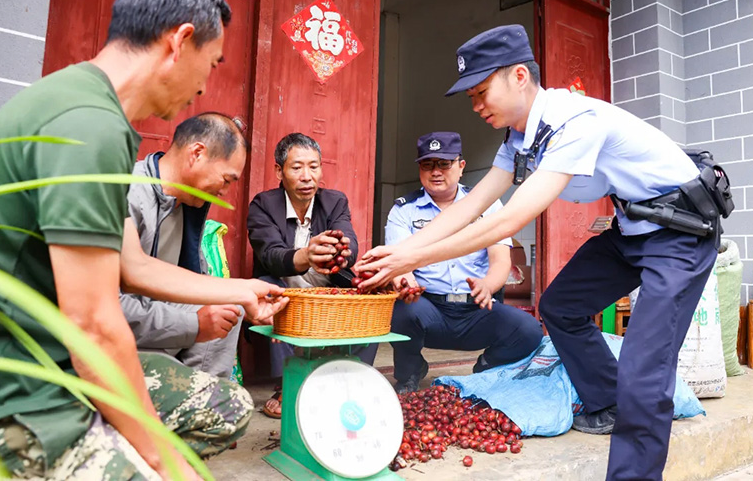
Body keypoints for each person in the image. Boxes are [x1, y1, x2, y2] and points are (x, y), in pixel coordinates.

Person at [356, 24, 722, 481]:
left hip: (680, 236)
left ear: (519, 77)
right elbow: (474, 204)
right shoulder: (518, 138)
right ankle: (607, 403)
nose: (476, 105)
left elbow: (506, 222)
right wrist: (397, 252)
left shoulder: (576, 121)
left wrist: (411, 260)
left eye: (481, 91)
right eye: (470, 95)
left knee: (644, 370)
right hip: (634, 231)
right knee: (561, 307)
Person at [0, 0, 286, 480]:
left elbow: (132, 265)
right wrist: (157, 457)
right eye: (211, 63)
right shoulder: (90, 126)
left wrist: (244, 287)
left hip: (53, 359)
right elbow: (95, 324)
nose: (205, 88)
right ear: (179, 42)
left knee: (225, 408)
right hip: (12, 384)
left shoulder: (89, 109)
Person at [385, 131, 543, 394]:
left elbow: (501, 260)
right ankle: (410, 372)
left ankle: (486, 365)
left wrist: (488, 286)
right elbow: (399, 263)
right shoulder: (404, 210)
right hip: (427, 308)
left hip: (476, 309)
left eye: (444, 164)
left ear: (461, 166)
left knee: (529, 330)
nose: (436, 172)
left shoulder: (487, 205)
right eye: (427, 164)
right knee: (400, 312)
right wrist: (404, 281)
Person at [247, 132, 377, 417]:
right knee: (270, 291)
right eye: (296, 168)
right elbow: (269, 254)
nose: (307, 176)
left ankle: (353, 378)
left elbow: (351, 245)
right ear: (279, 171)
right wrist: (306, 254)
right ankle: (286, 385)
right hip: (282, 284)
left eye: (314, 166)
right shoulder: (263, 205)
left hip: (325, 286)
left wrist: (342, 250)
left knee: (368, 301)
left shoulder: (334, 201)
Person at [120, 112, 256, 379]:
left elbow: (195, 284)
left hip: (157, 321)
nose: (225, 193)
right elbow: (110, 306)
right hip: (114, 336)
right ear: (197, 153)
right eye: (226, 180)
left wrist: (245, 295)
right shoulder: (126, 193)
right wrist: (194, 323)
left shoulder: (189, 204)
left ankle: (207, 396)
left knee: (229, 309)